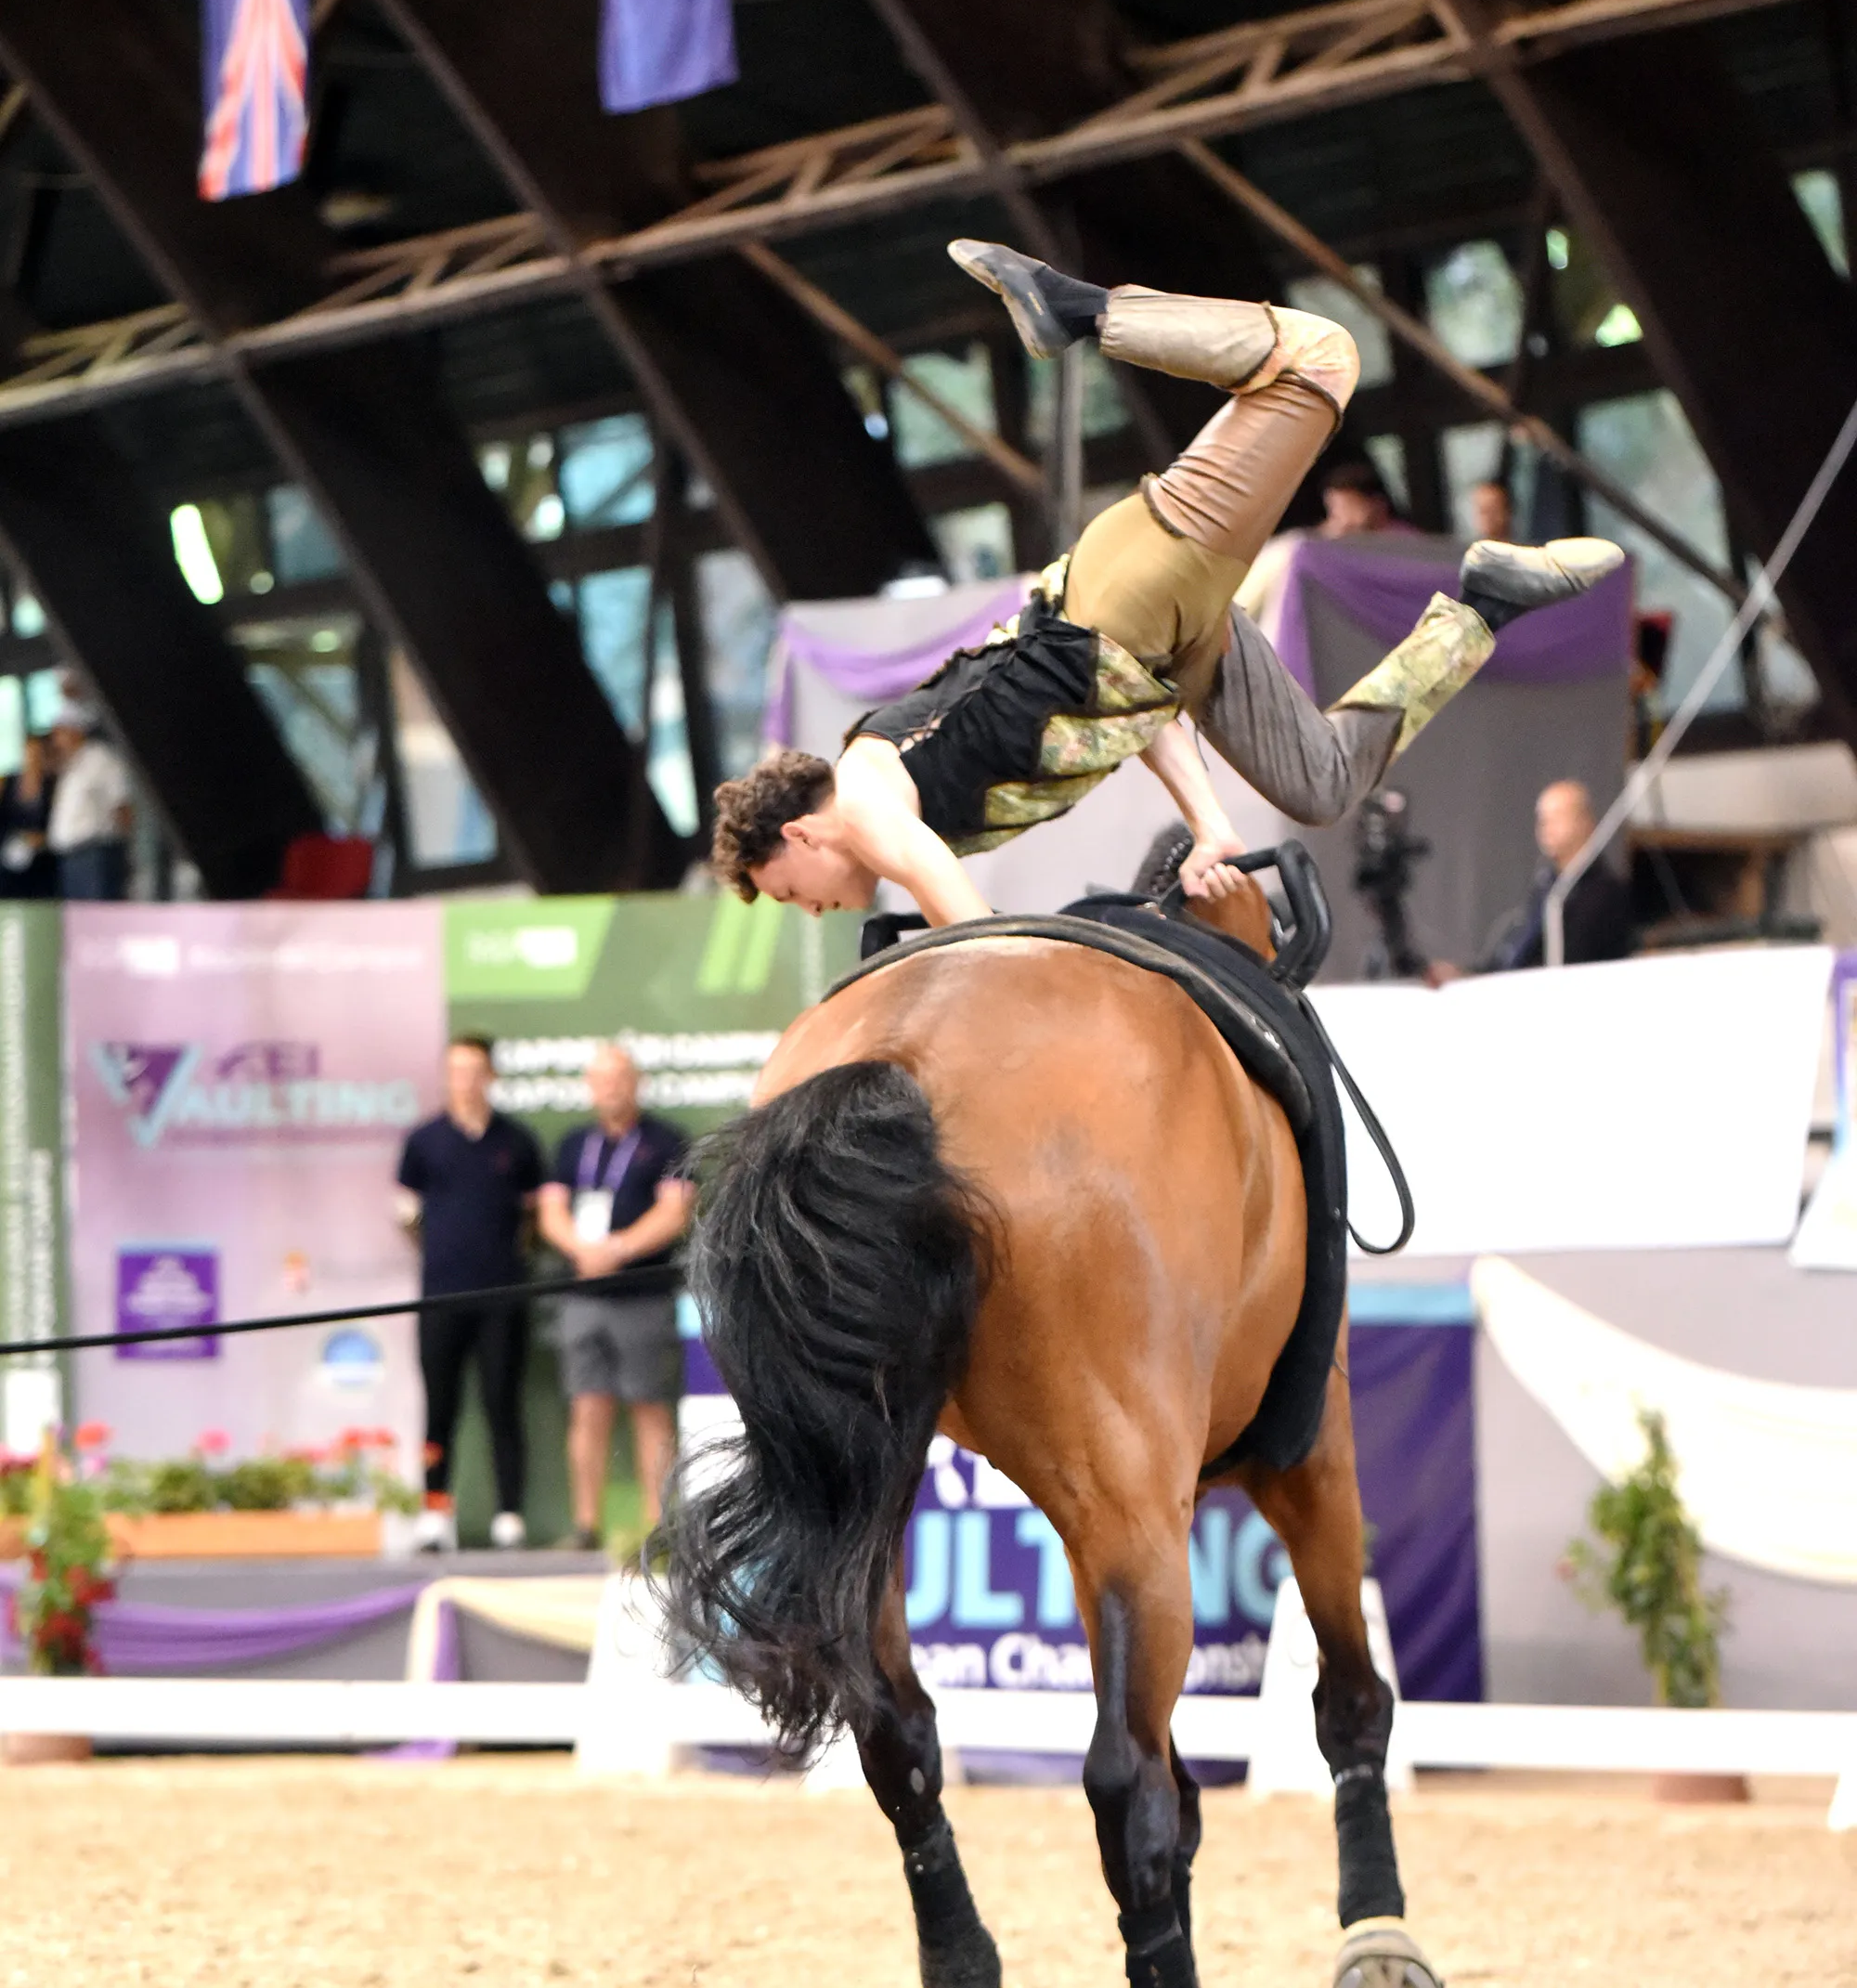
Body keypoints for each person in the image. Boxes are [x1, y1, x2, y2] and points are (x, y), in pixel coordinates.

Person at [711, 240, 1624, 931]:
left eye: (795, 895)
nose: (816, 912)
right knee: (1319, 783)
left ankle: (1082, 311)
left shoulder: (870, 807)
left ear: (800, 838)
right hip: (1151, 659)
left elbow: (962, 918)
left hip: (1121, 596)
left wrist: (1005, 977)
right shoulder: (906, 792)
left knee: (1319, 357)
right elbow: (1126, 719)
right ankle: (1481, 605)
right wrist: (1211, 824)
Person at [537, 1044, 693, 1553]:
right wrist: (580, 1249)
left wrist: (619, 1249)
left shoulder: (666, 1139)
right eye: (601, 1080)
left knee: (648, 1408)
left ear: (636, 1083)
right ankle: (586, 1526)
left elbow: (675, 1212)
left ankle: (658, 1529)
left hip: (642, 1296)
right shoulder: (573, 1144)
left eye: (619, 1078)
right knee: (587, 1408)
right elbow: (551, 1210)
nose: (611, 1088)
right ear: (589, 1086)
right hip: (582, 1297)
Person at [396, 1036, 545, 1552]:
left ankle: (509, 1514)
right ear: (445, 1077)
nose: (465, 1080)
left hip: (503, 1296)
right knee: (440, 1407)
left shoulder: (518, 1142)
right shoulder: (423, 1142)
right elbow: (406, 1215)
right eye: (456, 1070)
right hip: (440, 1295)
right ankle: (434, 1512)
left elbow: (533, 1217)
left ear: (491, 1077)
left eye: (475, 1070)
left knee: (502, 1403)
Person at [1438, 779, 1635, 978]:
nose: (1546, 826)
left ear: (1585, 822)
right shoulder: (1548, 886)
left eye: (1558, 817)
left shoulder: (1603, 894)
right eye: (1542, 818)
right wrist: (1470, 976)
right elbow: (1519, 955)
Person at [45, 717, 134, 901]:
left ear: (75, 732)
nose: (55, 741)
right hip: (71, 857)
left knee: (98, 919)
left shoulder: (100, 759)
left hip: (96, 855)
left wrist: (125, 851)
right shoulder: (70, 764)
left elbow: (121, 804)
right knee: (78, 922)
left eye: (59, 733)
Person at [0, 734, 56, 900]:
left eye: (37, 754)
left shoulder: (51, 784)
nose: (32, 759)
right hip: (9, 857)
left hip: (42, 863)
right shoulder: (8, 783)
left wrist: (42, 839)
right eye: (28, 754)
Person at [1318, 458, 1410, 538]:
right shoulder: (1326, 540)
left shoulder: (1404, 541)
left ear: (1378, 503)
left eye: (1349, 506)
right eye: (1333, 507)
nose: (1341, 515)